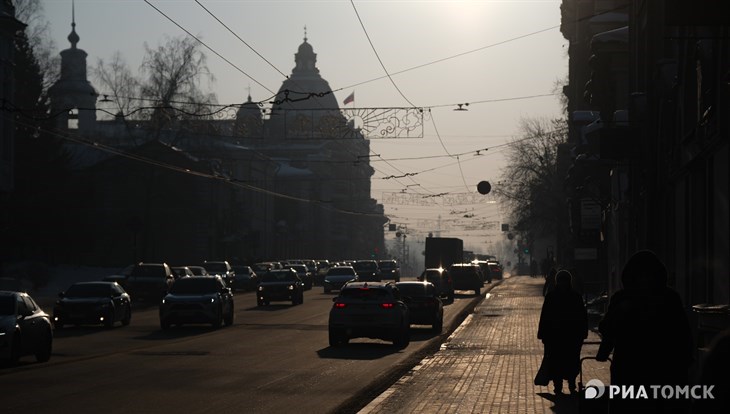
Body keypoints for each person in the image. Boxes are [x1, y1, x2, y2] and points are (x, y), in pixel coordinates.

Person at [596, 250, 693, 413]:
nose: (645, 280)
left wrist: (604, 351)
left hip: (631, 369)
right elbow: (683, 333)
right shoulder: (669, 298)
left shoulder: (623, 299)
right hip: (662, 371)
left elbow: (607, 329)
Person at [537, 269, 588, 395]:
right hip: (561, 337)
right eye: (561, 281)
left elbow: (581, 316)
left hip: (566, 336)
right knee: (561, 361)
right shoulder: (573, 297)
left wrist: (582, 332)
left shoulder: (557, 296)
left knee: (567, 361)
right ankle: (560, 386)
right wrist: (543, 333)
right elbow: (545, 316)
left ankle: (568, 385)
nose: (563, 283)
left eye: (564, 281)